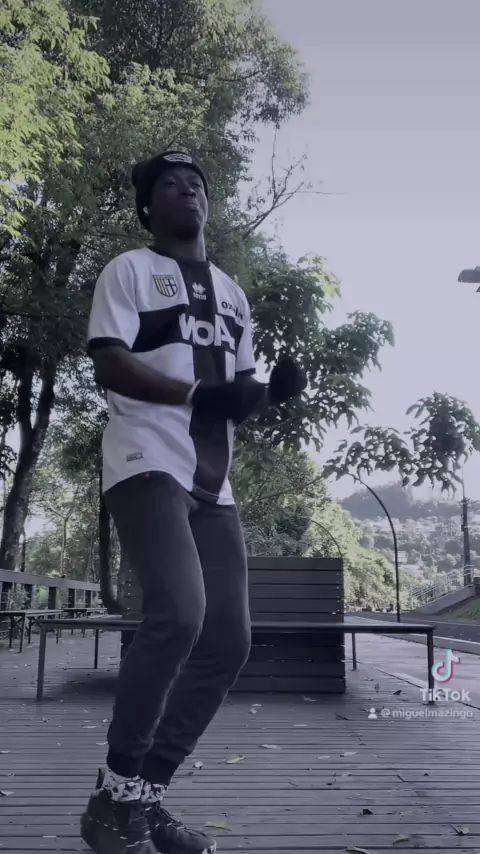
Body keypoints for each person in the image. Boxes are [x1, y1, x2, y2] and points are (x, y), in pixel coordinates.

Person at [81, 150, 306, 854]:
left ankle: (142, 799)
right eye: (172, 185)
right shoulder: (128, 270)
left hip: (214, 482)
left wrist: (272, 394)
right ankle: (117, 787)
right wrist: (196, 393)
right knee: (179, 614)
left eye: (198, 185)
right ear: (148, 207)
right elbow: (109, 360)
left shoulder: (233, 295)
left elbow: (235, 395)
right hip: (145, 458)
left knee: (229, 641)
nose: (189, 192)